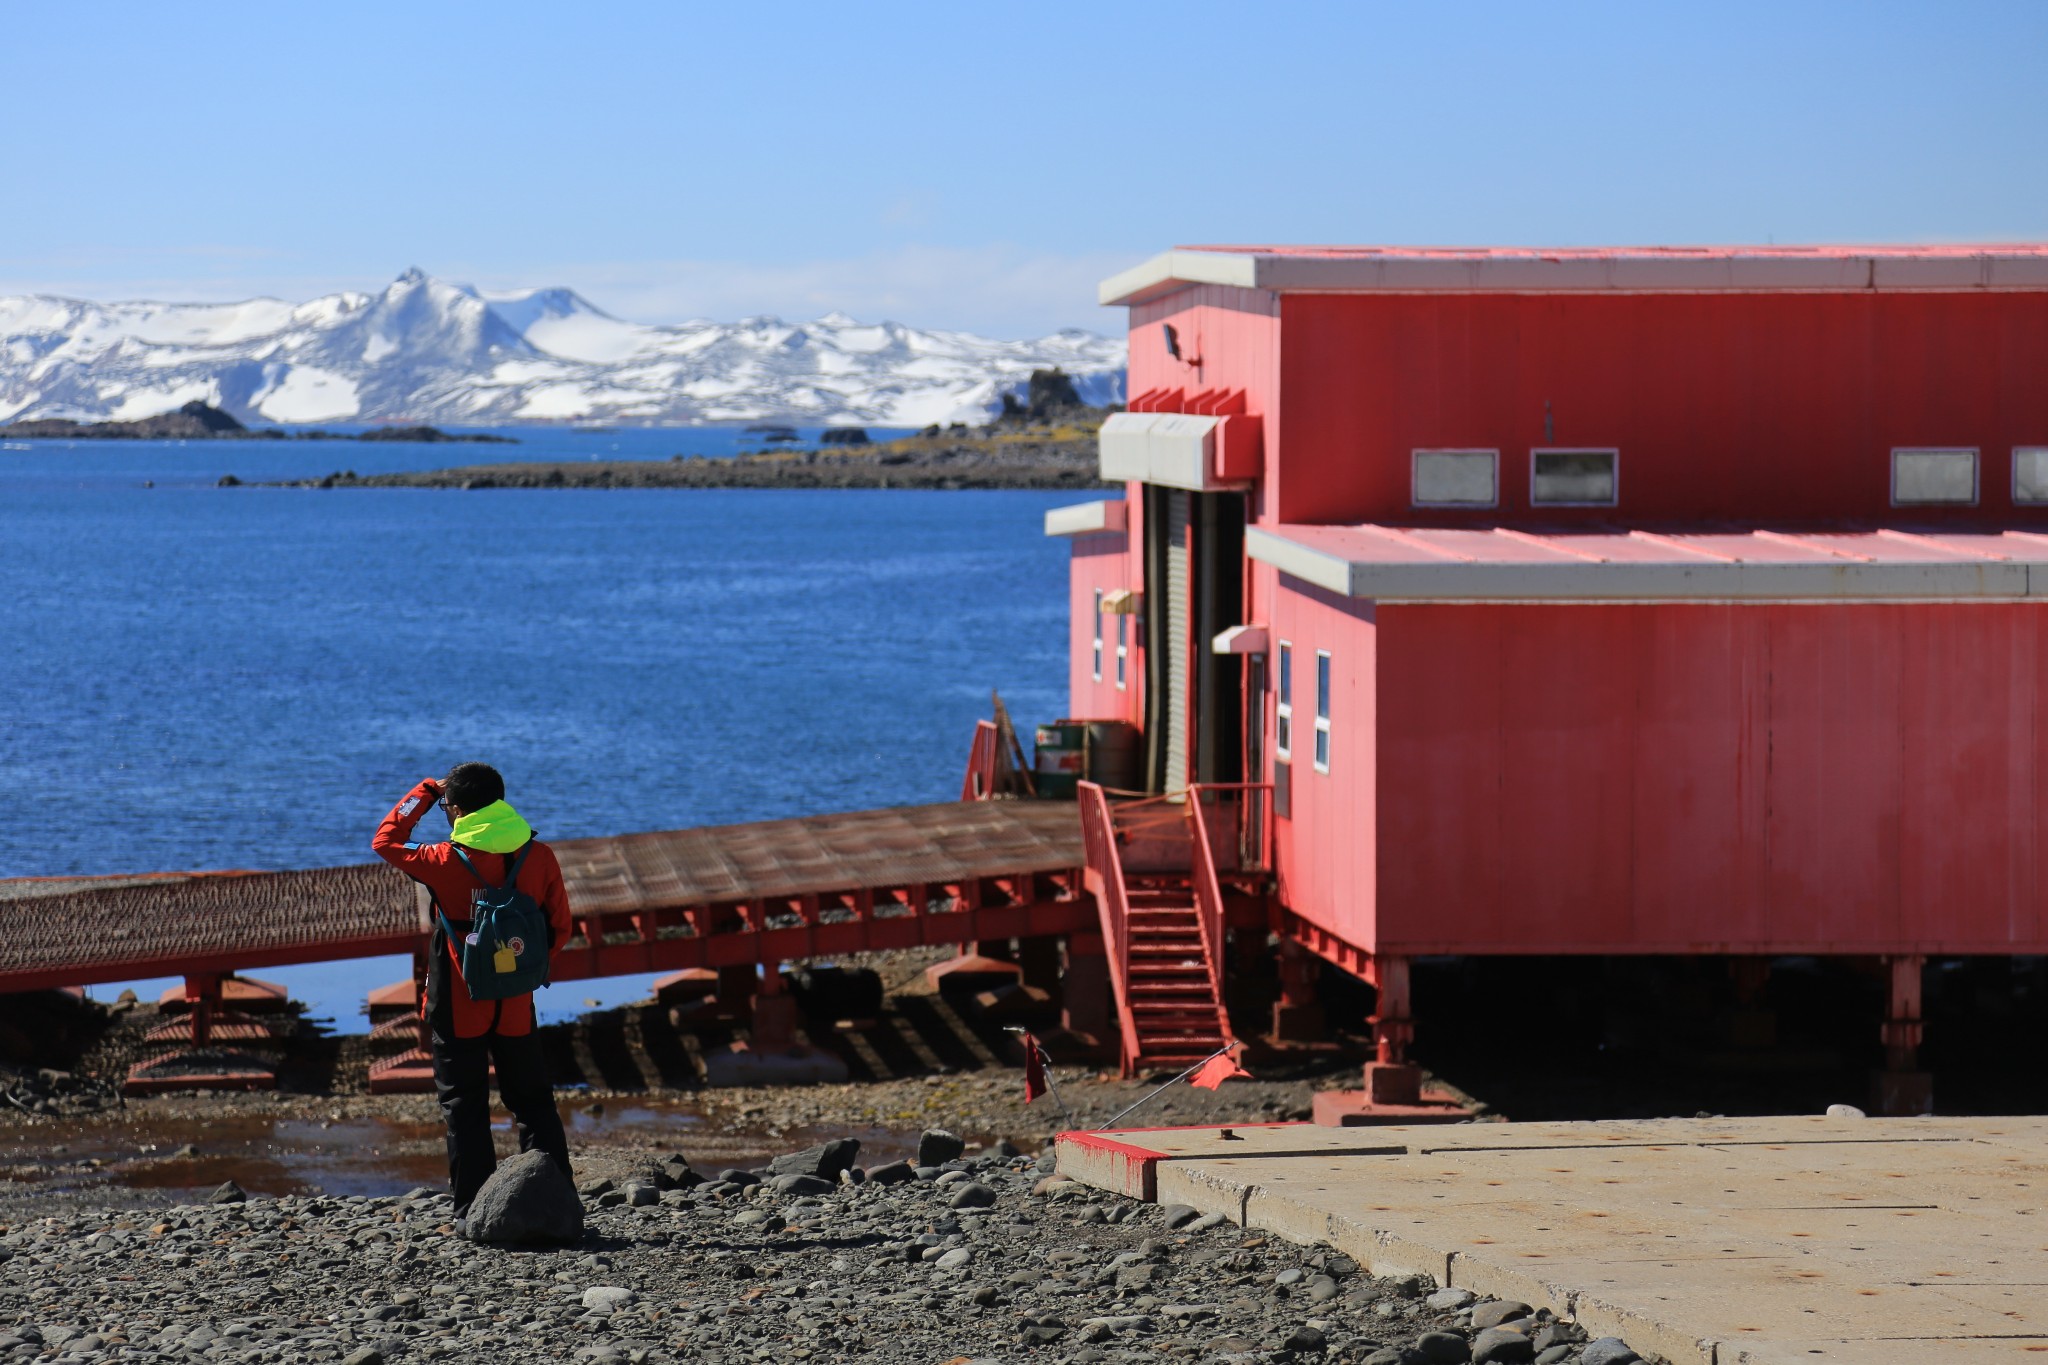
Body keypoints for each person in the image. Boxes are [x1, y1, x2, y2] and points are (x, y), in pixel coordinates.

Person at [373, 762, 574, 1216]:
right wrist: (520, 971)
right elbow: (560, 928)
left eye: (446, 805)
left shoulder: (444, 860)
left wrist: (423, 791)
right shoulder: (539, 856)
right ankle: (557, 1200)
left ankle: (473, 1210)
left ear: (457, 810)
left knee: (464, 1105)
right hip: (517, 1000)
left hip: (460, 998)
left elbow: (385, 840)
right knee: (533, 1100)